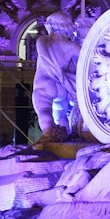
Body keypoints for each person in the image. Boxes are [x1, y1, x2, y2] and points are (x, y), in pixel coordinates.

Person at [32, 11, 81, 143]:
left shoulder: (44, 40)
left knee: (43, 109)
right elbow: (85, 61)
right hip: (62, 85)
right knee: (61, 114)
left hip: (45, 82)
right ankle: (66, 138)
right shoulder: (72, 47)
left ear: (51, 25)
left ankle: (48, 134)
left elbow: (43, 51)